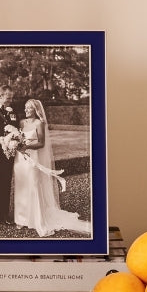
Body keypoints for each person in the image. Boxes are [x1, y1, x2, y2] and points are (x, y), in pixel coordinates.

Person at [13, 99, 91, 238]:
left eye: (29, 108)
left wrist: (26, 146)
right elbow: (17, 137)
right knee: (21, 186)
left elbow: (41, 143)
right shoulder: (22, 123)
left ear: (36, 110)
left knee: (33, 185)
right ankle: (22, 218)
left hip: (32, 159)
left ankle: (36, 219)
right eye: (25, 107)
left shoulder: (39, 123)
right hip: (20, 160)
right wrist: (14, 143)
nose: (26, 110)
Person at [0, 87, 16, 224]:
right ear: (1, 96)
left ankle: (4, 215)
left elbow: (16, 129)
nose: (11, 100)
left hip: (7, 154)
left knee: (5, 183)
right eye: (8, 97)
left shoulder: (13, 112)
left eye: (11, 97)